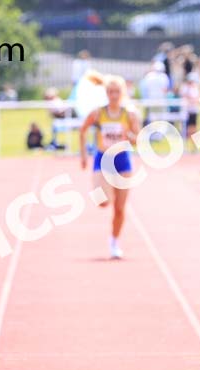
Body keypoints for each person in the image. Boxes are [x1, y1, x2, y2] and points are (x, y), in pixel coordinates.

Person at [79, 73, 140, 260]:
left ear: (122, 93)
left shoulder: (129, 114)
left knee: (120, 209)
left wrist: (128, 134)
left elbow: (138, 140)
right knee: (102, 201)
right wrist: (83, 155)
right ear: (106, 93)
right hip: (102, 158)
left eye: (117, 92)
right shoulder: (98, 113)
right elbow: (82, 131)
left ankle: (114, 242)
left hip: (122, 160)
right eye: (110, 92)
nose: (113, 95)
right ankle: (108, 191)